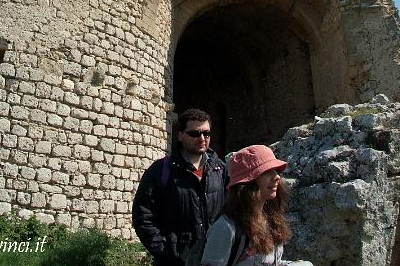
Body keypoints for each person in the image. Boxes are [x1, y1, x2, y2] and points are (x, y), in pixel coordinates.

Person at [133, 108, 228, 266]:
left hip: (214, 259)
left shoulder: (220, 170)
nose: (202, 138)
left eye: (207, 133)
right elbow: (143, 216)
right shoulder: (160, 171)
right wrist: (166, 253)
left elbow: (231, 210)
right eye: (195, 133)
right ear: (181, 135)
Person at [201, 145, 312, 266]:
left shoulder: (270, 219)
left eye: (276, 171)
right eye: (267, 172)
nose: (277, 177)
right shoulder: (225, 228)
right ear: (248, 183)